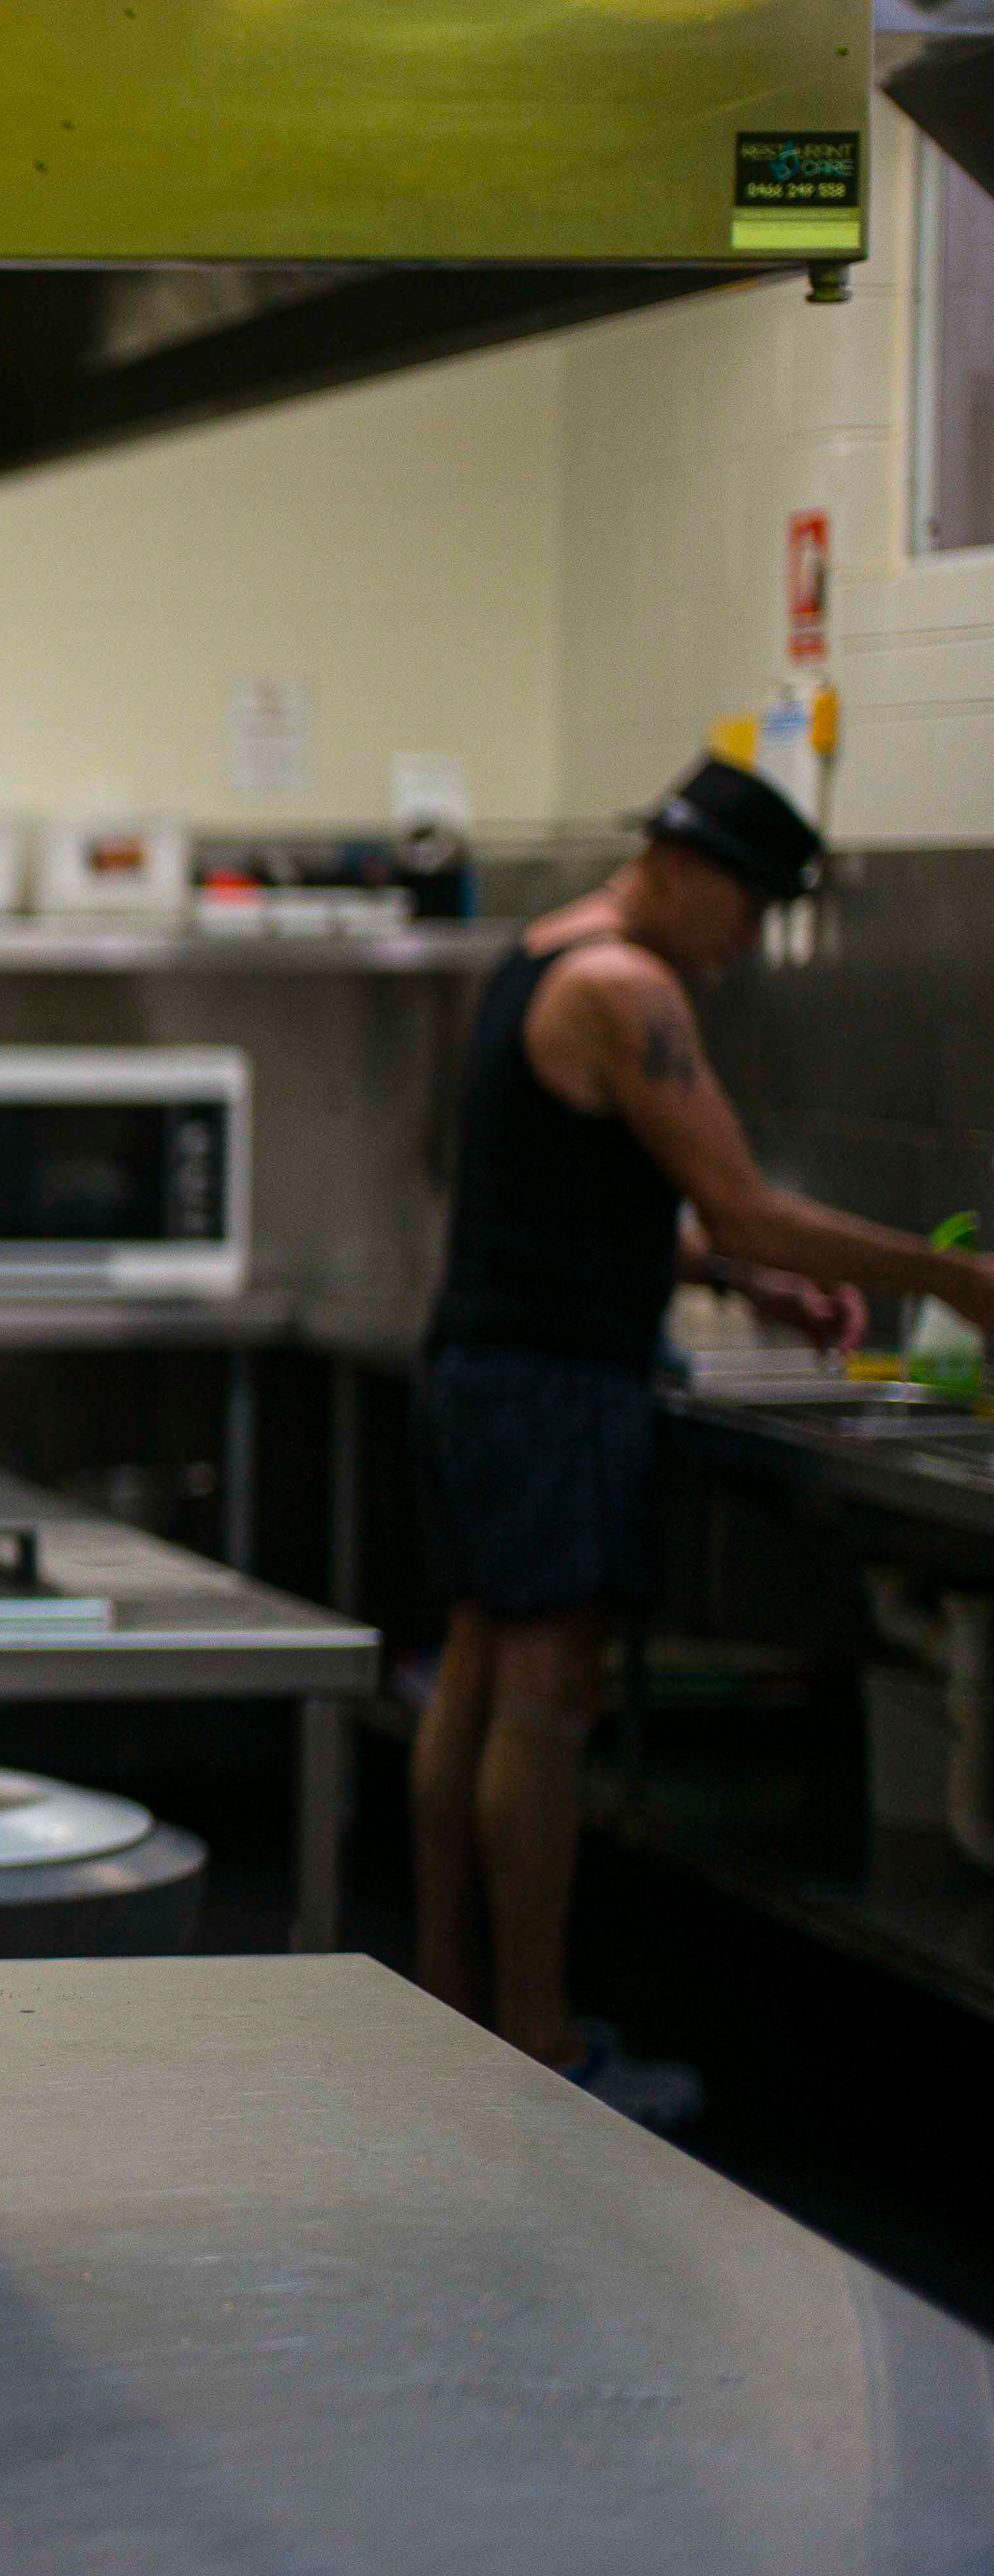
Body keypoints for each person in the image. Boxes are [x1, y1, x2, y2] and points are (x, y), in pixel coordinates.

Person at [412, 753, 994, 2128]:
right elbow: (743, 1203)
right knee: (545, 1691)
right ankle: (542, 2050)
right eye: (746, 910)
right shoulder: (629, 987)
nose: (745, 947)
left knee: (479, 1672)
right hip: (553, 1380)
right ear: (682, 868)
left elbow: (590, 1190)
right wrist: (955, 1279)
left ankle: (442, 2011)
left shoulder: (541, 953)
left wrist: (742, 1285)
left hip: (488, 1361)